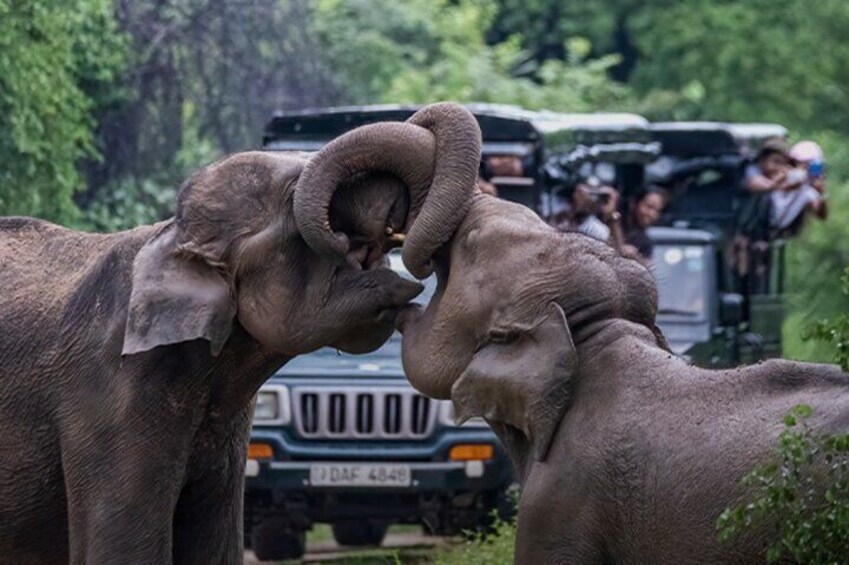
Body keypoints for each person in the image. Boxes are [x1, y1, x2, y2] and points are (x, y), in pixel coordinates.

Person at [743, 138, 826, 232]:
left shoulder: (804, 190)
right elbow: (763, 186)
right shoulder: (754, 172)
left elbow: (820, 214)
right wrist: (783, 181)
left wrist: (820, 192)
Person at [550, 175, 621, 243]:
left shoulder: (599, 229)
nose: (588, 198)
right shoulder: (561, 217)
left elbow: (616, 251)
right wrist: (575, 208)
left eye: (593, 194)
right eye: (582, 194)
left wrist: (611, 213)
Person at [624, 186, 668, 262]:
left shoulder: (645, 243)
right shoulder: (615, 223)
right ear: (634, 203)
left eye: (657, 211)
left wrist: (636, 257)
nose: (652, 214)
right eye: (649, 207)